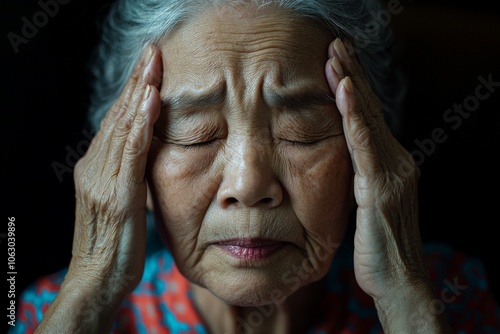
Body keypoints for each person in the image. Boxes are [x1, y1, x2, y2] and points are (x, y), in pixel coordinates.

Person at [11, 0, 500, 333]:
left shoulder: (447, 296)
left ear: (368, 154)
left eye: (302, 131)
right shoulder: (52, 312)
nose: (248, 185)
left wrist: (407, 305)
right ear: (128, 166)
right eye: (196, 131)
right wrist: (86, 299)